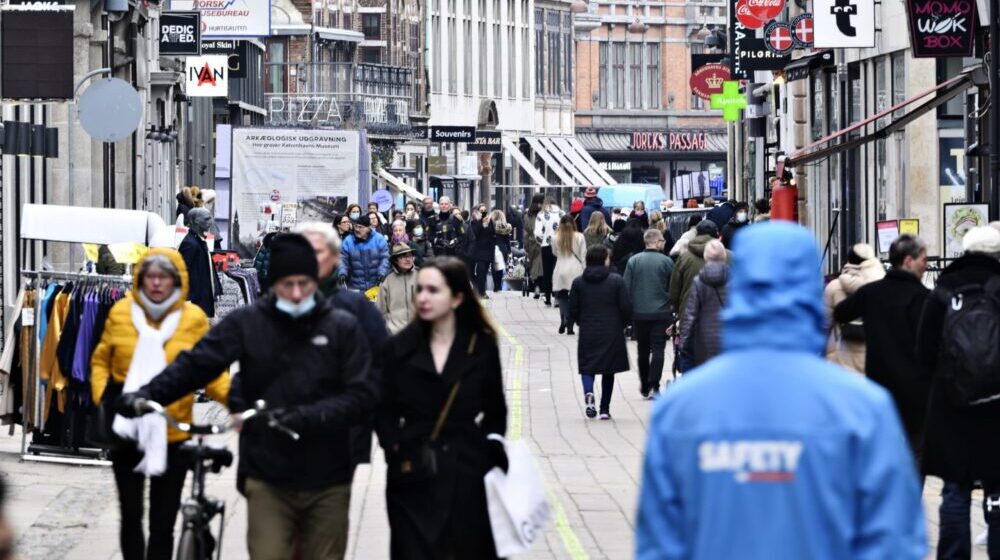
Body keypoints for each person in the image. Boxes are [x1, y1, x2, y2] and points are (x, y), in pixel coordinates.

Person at [636, 222, 926, 560]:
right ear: (809, 287)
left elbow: (660, 543)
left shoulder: (681, 410)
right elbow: (893, 542)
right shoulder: (862, 410)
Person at [117, 234, 378, 560]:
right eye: (287, 284)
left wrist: (311, 416)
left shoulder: (341, 327)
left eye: (303, 284)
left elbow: (362, 392)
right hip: (267, 472)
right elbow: (197, 364)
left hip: (327, 475)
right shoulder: (250, 323)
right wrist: (147, 395)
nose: (296, 294)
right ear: (272, 283)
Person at [92, 250, 229, 560]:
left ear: (177, 280)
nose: (156, 283)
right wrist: (104, 397)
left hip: (172, 432)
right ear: (140, 278)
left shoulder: (192, 319)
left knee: (163, 522)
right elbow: (101, 360)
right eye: (150, 276)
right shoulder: (121, 312)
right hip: (127, 429)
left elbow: (209, 370)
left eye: (163, 277)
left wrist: (235, 401)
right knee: (130, 514)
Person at [376, 257, 508, 559]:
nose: (422, 297)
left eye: (433, 290)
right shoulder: (398, 347)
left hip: (467, 468)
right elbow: (383, 407)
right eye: (420, 289)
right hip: (412, 469)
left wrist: (487, 452)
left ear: (457, 297)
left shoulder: (480, 345)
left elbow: (495, 409)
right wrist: (394, 447)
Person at [917, 226, 1000, 558]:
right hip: (996, 406)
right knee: (997, 490)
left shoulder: (944, 287)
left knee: (955, 490)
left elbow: (923, 349)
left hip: (951, 405)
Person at [297, 221, 387, 470]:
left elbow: (382, 363)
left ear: (334, 258)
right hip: (287, 432)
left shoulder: (358, 309)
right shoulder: (274, 306)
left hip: (342, 431)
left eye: (318, 252)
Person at [834, 234, 929, 454]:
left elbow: (841, 312)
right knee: (916, 445)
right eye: (923, 259)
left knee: (883, 442)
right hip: (915, 384)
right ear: (908, 261)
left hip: (879, 380)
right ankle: (911, 487)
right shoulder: (923, 297)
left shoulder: (872, 292)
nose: (926, 265)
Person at [570, 245, 631, 420]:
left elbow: (573, 310)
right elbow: (626, 307)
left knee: (587, 367)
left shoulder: (578, 282)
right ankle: (604, 409)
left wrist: (582, 322)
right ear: (605, 260)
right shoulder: (616, 281)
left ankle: (589, 393)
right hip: (612, 330)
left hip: (588, 330)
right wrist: (623, 324)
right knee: (608, 370)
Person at [623, 229, 674, 398]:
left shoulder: (633, 261)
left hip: (639, 313)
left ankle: (644, 384)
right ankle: (654, 385)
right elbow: (672, 287)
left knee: (643, 350)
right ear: (657, 242)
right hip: (661, 312)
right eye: (662, 240)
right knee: (658, 349)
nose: (664, 243)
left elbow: (626, 287)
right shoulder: (667, 262)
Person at [822, 244, 885, 373]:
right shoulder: (883, 288)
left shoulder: (834, 287)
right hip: (873, 358)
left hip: (839, 359)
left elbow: (823, 325)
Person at [678, 239, 728, 369]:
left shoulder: (699, 281)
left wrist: (683, 341)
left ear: (705, 256)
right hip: (727, 336)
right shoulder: (734, 278)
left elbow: (691, 314)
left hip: (703, 339)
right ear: (724, 255)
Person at [178, 208, 221, 318]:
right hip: (195, 301)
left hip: (201, 298)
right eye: (206, 219)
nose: (210, 222)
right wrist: (187, 299)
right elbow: (182, 273)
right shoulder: (190, 243)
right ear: (196, 221)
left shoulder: (198, 241)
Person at [552, 214, 587, 335]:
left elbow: (554, 253)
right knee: (575, 298)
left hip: (561, 268)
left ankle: (564, 319)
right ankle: (570, 326)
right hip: (576, 270)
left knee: (562, 297)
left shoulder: (555, 237)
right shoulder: (580, 237)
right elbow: (583, 256)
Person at [341, 215, 391, 292]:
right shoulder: (348, 241)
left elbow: (385, 258)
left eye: (360, 227)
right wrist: (342, 272)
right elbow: (342, 259)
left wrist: (382, 272)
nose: (357, 229)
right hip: (355, 287)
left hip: (376, 285)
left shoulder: (379, 239)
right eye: (356, 226)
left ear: (368, 228)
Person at [376, 244, 419, 334]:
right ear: (396, 260)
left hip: (419, 333)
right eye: (403, 256)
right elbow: (380, 311)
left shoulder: (421, 276)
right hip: (395, 334)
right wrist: (388, 328)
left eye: (410, 256)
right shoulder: (387, 281)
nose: (408, 259)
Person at [533, 198, 565, 306]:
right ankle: (557, 297)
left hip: (546, 245)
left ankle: (547, 298)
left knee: (547, 272)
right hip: (560, 245)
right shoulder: (562, 213)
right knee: (558, 271)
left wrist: (542, 241)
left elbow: (537, 233)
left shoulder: (541, 214)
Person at [470, 206, 497, 297]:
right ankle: (481, 291)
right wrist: (482, 223)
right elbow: (475, 233)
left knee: (484, 272)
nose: (483, 212)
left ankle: (479, 290)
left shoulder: (489, 221)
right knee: (480, 271)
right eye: (481, 210)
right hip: (479, 251)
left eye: (484, 210)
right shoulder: (475, 222)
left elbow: (493, 233)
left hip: (488, 251)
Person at [524, 194, 546, 299]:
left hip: (532, 243)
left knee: (535, 265)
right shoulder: (545, 214)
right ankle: (542, 288)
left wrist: (526, 247)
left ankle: (537, 286)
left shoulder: (528, 215)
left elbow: (526, 233)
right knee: (544, 265)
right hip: (544, 242)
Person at [491, 210, 513, 293]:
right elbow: (507, 240)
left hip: (493, 248)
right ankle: (499, 285)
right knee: (500, 267)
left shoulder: (491, 225)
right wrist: (509, 251)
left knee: (494, 267)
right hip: (503, 248)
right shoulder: (505, 226)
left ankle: (496, 285)